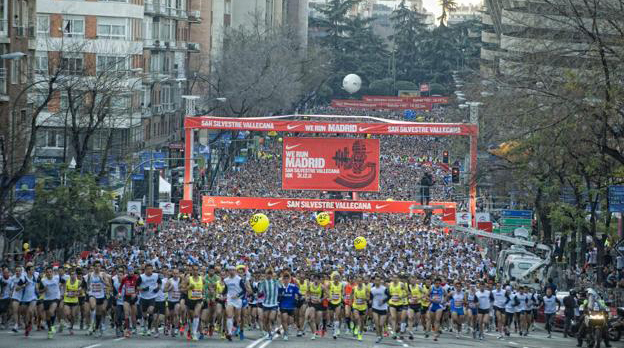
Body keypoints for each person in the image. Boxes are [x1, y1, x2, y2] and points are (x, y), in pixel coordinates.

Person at [277, 271, 299, 341]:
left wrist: (297, 297)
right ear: (283, 279)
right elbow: (278, 297)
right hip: (283, 306)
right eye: (284, 278)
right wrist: (280, 297)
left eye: (287, 278)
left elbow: (298, 294)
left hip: (291, 307)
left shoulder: (293, 286)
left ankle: (285, 328)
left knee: (290, 321)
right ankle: (286, 334)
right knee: (284, 319)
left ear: (289, 279)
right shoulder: (280, 287)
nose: (286, 280)